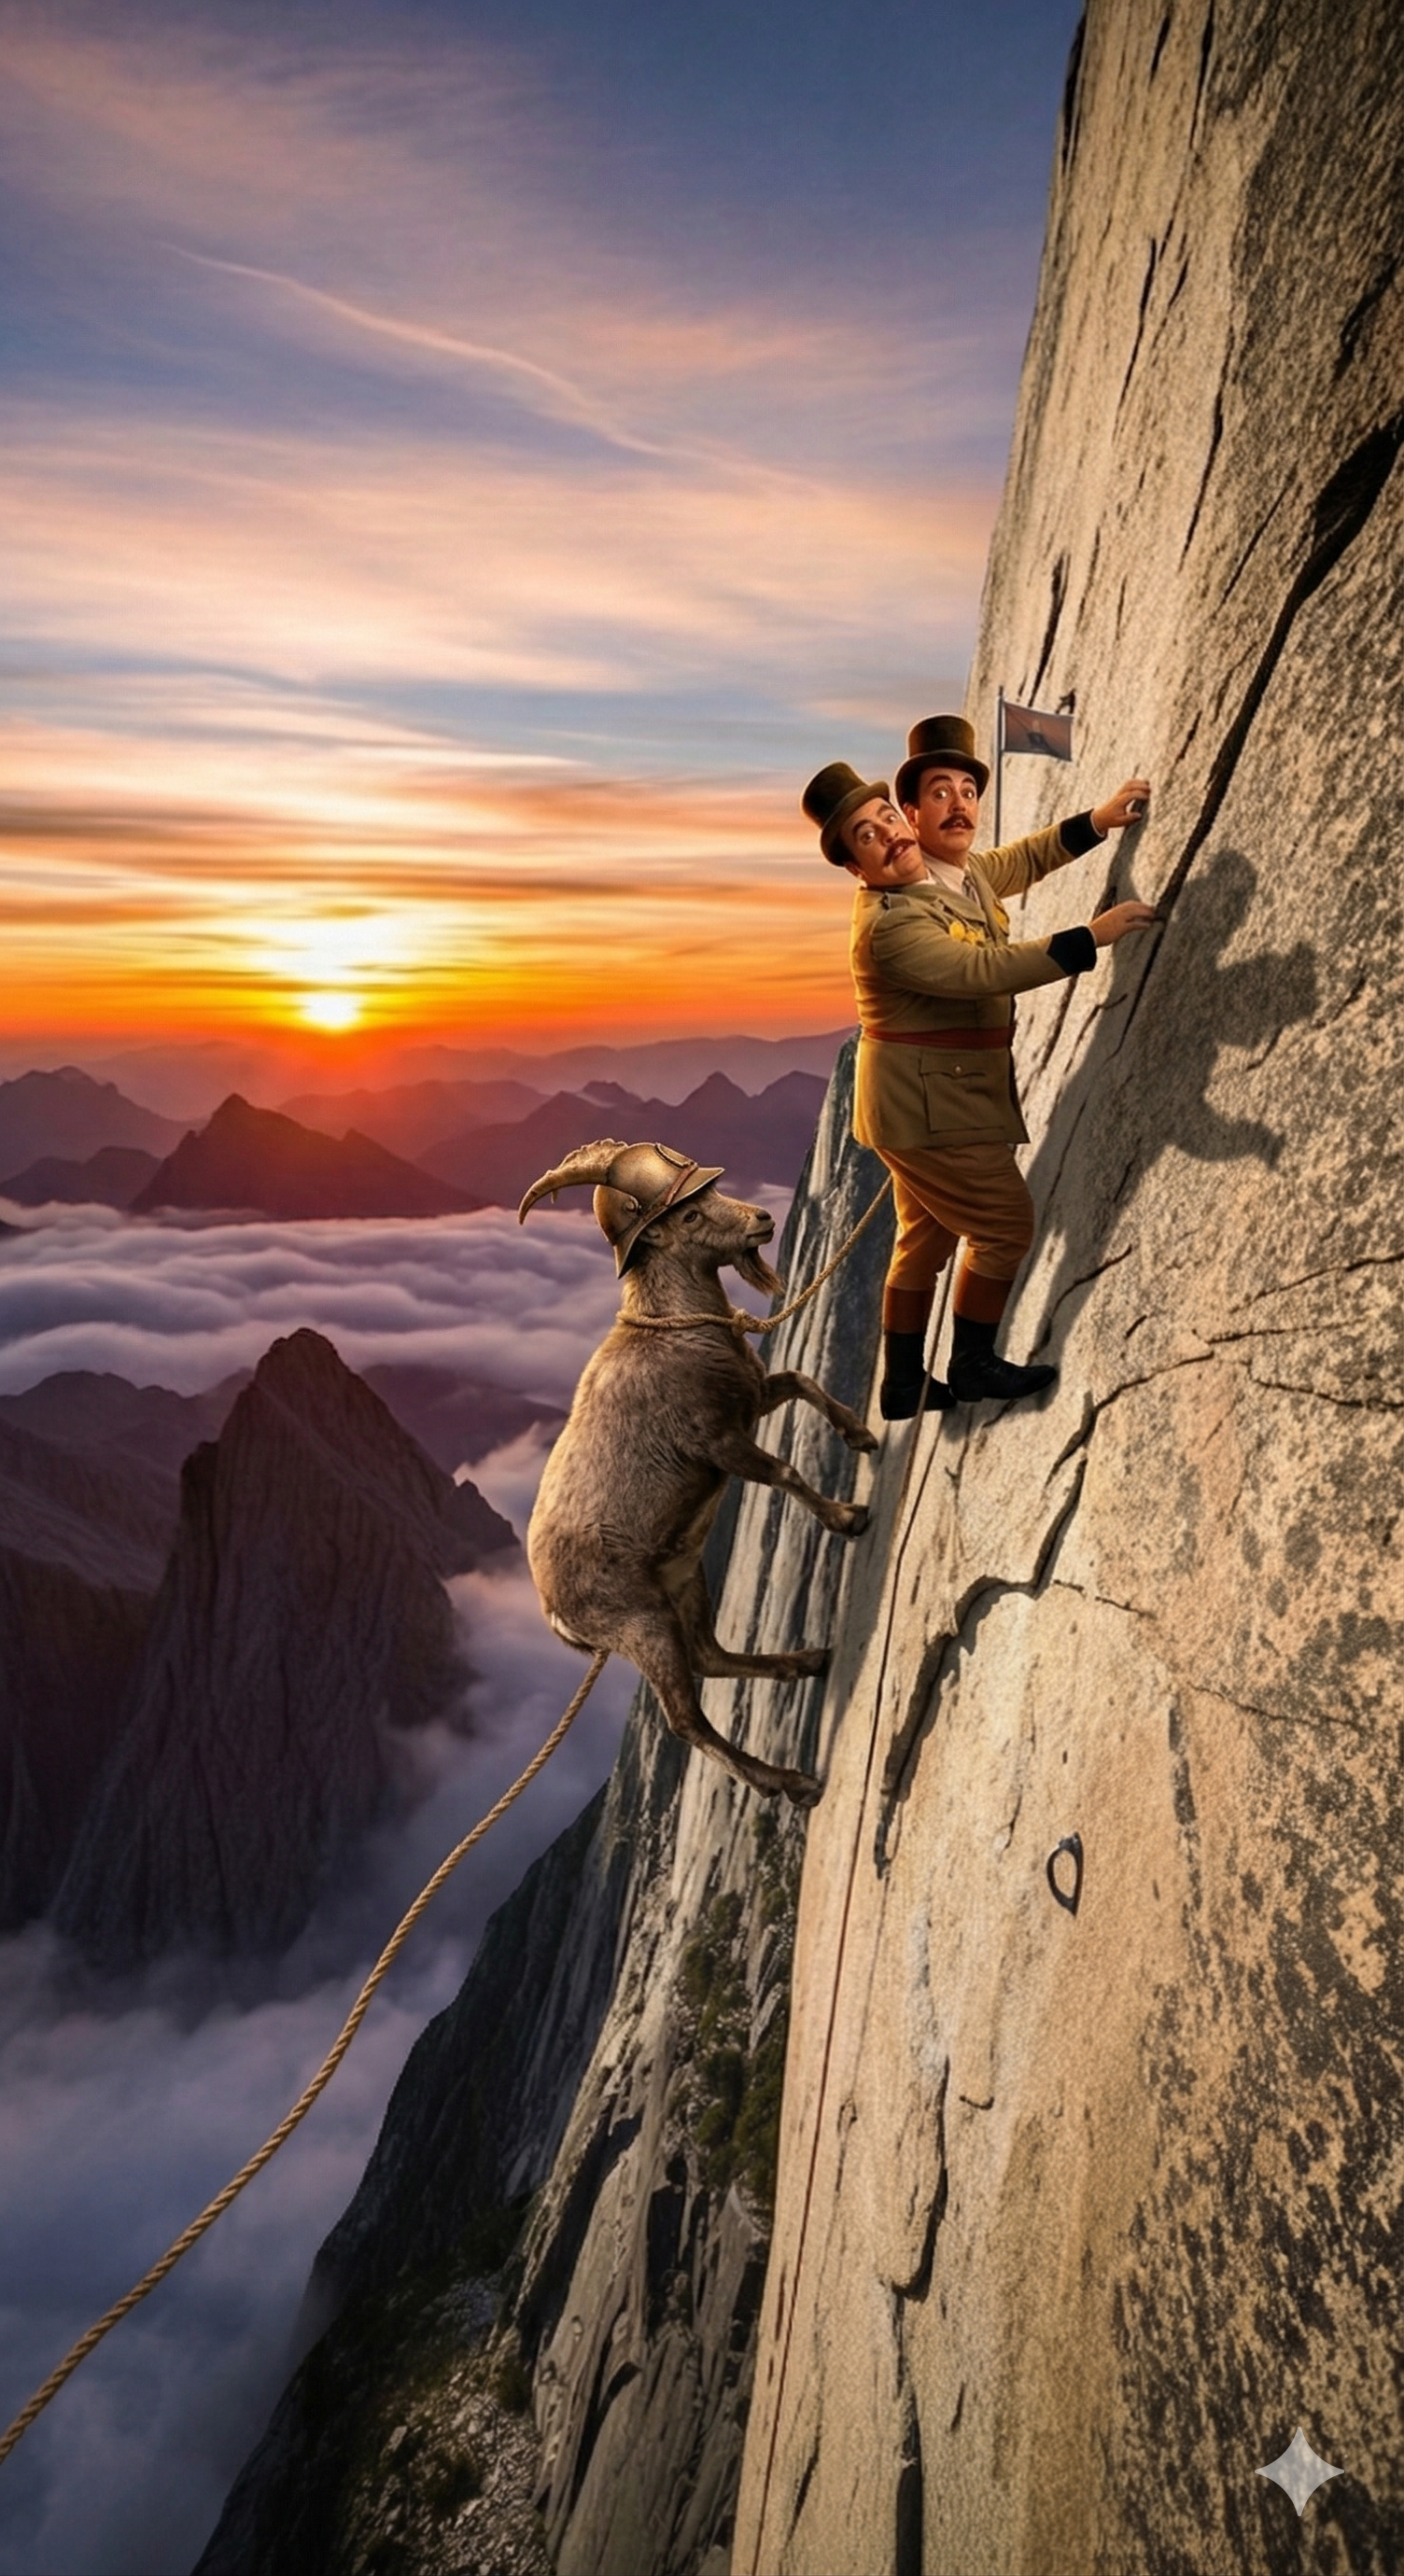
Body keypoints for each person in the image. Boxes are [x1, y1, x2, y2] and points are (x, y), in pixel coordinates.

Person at [802, 712, 1156, 1415]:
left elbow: (1020, 860)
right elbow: (982, 970)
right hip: (930, 1108)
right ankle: (971, 1366)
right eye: (868, 836)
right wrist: (1093, 935)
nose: (892, 836)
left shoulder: (946, 876)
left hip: (920, 1098)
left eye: (884, 820)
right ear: (854, 866)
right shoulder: (891, 926)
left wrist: (1098, 820)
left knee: (925, 1238)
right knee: (1004, 1227)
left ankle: (902, 1386)